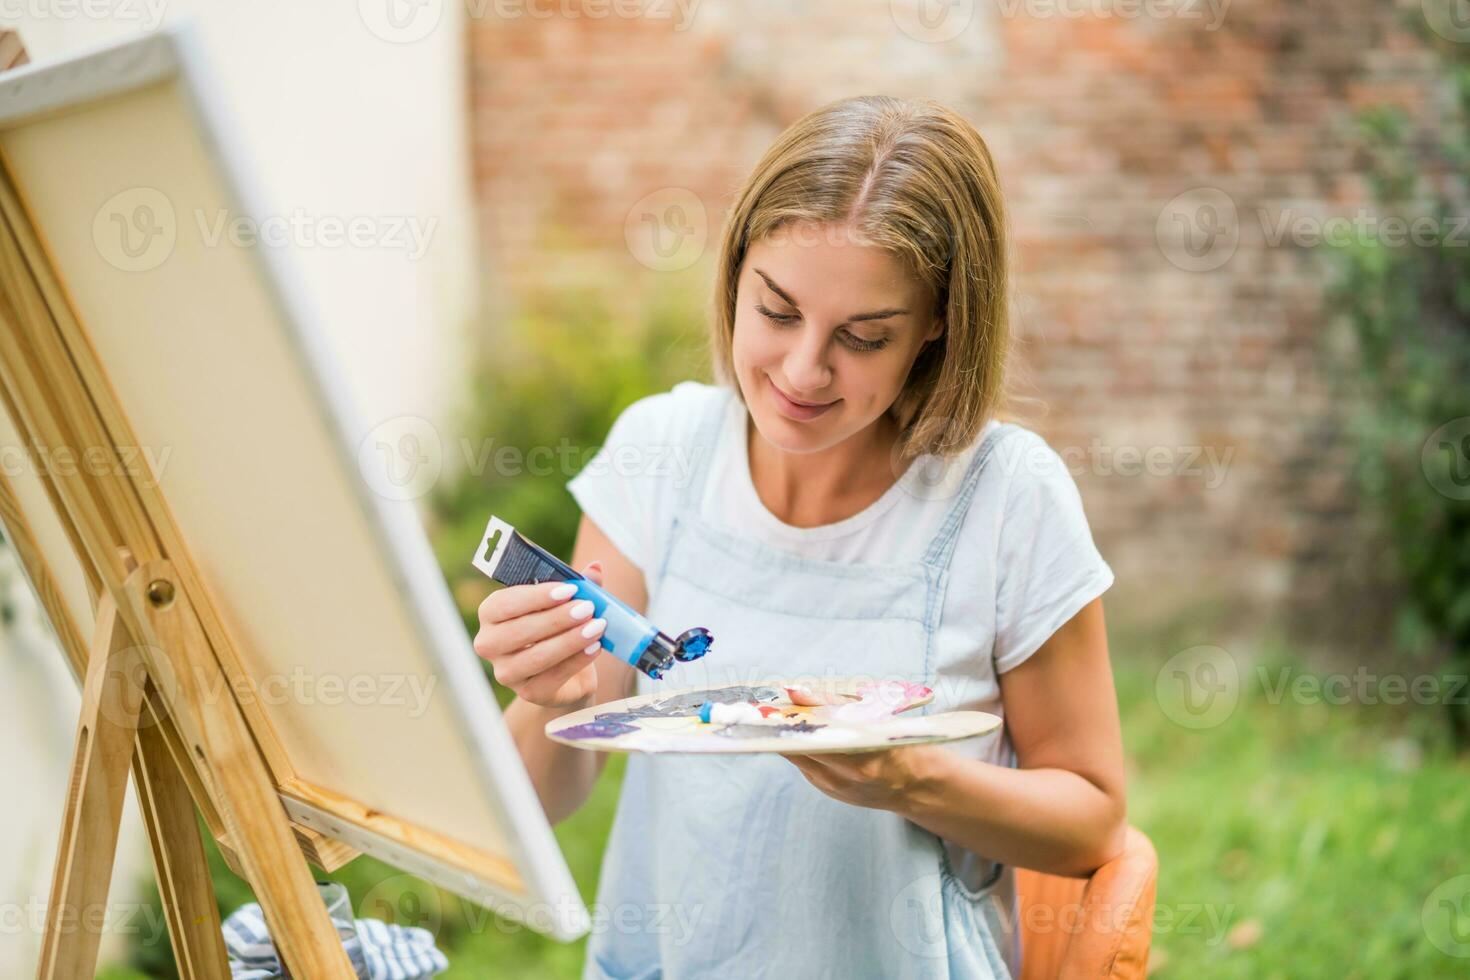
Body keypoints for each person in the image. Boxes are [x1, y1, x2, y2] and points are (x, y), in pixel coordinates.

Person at [473, 94, 1126, 979]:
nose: (803, 370)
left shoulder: (1008, 498)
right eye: (777, 311)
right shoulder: (660, 455)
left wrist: (911, 781)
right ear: (736, 269)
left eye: (863, 336)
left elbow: (1093, 823)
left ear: (938, 323)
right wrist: (549, 694)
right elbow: (539, 795)